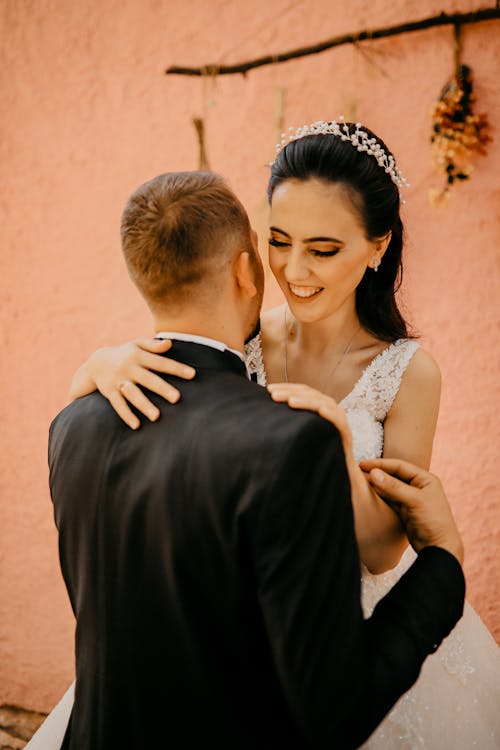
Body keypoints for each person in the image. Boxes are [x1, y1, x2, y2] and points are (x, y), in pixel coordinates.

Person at [64, 120, 500, 748]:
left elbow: (381, 554)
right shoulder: (238, 337)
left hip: (355, 630)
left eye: (324, 250)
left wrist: (339, 455)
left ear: (377, 247)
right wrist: (99, 363)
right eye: (278, 241)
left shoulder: (407, 372)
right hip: (234, 624)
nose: (295, 270)